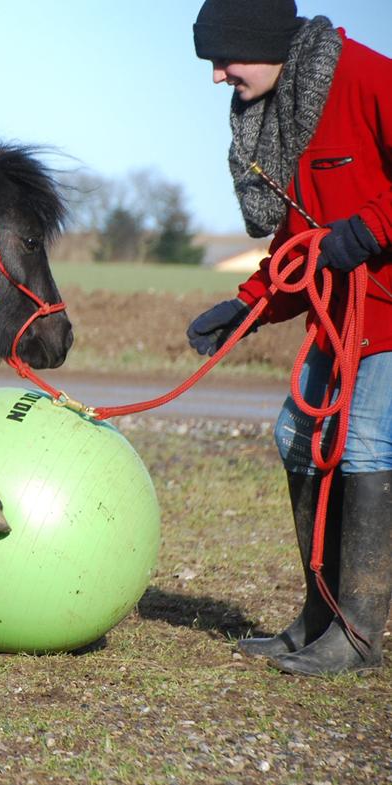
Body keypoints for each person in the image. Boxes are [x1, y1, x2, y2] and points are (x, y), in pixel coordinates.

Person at [187, 0, 392, 676]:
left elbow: (353, 226)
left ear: (264, 42)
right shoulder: (285, 111)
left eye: (224, 58)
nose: (218, 76)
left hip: (385, 315)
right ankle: (318, 615)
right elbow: (300, 240)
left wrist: (368, 230)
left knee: (361, 442)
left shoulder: (368, 79)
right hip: (334, 319)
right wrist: (245, 308)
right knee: (294, 437)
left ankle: (358, 634)